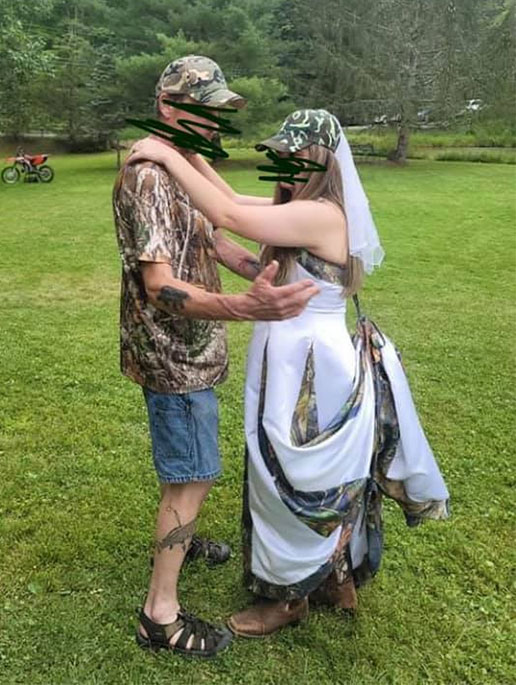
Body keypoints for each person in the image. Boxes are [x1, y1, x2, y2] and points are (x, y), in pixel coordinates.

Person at [127, 108, 450, 638]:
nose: (282, 165)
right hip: (291, 358)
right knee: (299, 470)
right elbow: (231, 199)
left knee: (294, 476)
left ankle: (287, 599)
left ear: (320, 159)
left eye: (292, 156)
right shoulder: (301, 206)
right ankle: (333, 580)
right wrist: (192, 155)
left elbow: (228, 213)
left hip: (310, 370)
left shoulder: (323, 214)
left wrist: (164, 154)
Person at [113, 58, 319, 657]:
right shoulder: (150, 176)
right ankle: (160, 617)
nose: (214, 123)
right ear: (168, 107)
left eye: (220, 112)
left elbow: (214, 237)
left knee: (189, 468)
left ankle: (180, 542)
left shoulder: (184, 165)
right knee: (193, 474)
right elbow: (159, 287)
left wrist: (268, 277)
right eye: (205, 110)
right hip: (171, 353)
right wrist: (248, 308)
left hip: (194, 348)